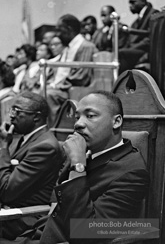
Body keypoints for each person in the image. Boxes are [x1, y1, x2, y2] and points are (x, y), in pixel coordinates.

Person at [39, 90, 149, 244]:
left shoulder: (133, 173)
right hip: (42, 232)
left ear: (116, 122)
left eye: (90, 116)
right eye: (77, 117)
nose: (78, 124)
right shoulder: (87, 151)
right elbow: (57, 196)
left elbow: (86, 232)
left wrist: (78, 164)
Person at [0, 91, 63, 240]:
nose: (11, 116)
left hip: (21, 220)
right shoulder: (25, 138)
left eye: (17, 111)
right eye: (12, 110)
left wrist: (3, 147)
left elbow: (7, 191)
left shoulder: (45, 147)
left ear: (36, 116)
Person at [46, 14, 98, 127]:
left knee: (49, 94)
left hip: (74, 89)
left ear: (69, 29)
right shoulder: (68, 48)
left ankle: (54, 132)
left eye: (60, 30)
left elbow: (81, 76)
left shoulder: (85, 46)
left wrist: (59, 85)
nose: (58, 35)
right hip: (64, 87)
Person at [119, 0, 159, 74]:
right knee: (118, 52)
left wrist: (131, 48)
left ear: (143, 1)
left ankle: (122, 83)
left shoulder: (153, 14)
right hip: (138, 49)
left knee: (121, 53)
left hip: (146, 51)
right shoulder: (136, 21)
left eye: (133, 2)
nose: (130, 6)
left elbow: (150, 38)